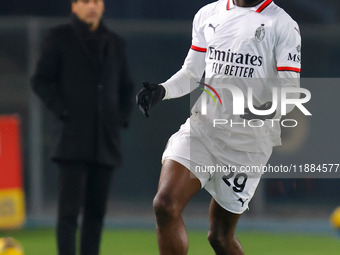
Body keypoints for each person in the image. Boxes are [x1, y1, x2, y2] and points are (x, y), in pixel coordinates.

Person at [136, 0, 301, 254]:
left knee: (220, 237)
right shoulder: (207, 14)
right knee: (165, 205)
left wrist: (264, 109)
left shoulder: (282, 24)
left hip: (246, 146)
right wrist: (163, 90)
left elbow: (290, 91)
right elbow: (191, 73)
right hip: (203, 130)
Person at [31, 0, 134, 255]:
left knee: (96, 214)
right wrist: (64, 111)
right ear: (74, 6)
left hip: (105, 141)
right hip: (72, 139)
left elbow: (126, 87)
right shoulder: (59, 37)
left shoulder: (115, 42)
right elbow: (41, 80)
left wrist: (119, 118)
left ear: (104, 7)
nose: (92, 7)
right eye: (86, 1)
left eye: (97, 1)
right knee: (68, 213)